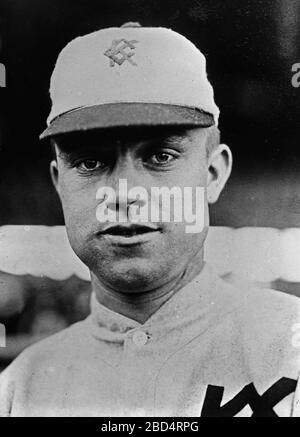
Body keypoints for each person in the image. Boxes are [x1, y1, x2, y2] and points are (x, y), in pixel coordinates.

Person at [0, 22, 299, 417]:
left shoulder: (289, 348)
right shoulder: (19, 388)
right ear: (59, 183)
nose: (124, 192)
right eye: (89, 161)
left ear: (212, 175)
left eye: (161, 156)